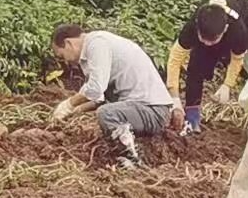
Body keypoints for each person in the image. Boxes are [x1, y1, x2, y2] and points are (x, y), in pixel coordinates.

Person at [50, 24, 178, 168]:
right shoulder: (96, 45)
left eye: (62, 55)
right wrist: (74, 112)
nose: (65, 61)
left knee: (107, 113)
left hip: (153, 110)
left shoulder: (97, 44)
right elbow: (99, 98)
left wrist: (69, 104)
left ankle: (131, 161)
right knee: (106, 111)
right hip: (142, 108)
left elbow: (95, 89)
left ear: (68, 43)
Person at [166, 0, 248, 134]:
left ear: (225, 29)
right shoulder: (193, 25)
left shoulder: (238, 29)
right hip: (212, 24)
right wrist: (174, 97)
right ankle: (192, 118)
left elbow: (237, 58)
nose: (207, 43)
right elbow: (175, 59)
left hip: (245, 15)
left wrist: (227, 85)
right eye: (203, 39)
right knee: (196, 66)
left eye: (212, 40)